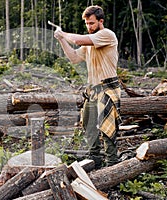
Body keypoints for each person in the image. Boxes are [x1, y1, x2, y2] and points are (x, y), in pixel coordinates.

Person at [54, 5, 122, 168]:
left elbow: (78, 40)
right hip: (92, 90)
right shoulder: (89, 45)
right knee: (89, 126)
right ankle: (95, 160)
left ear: (100, 21)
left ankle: (112, 164)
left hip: (107, 89)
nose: (89, 27)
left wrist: (64, 33)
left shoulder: (107, 35)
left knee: (108, 129)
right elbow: (74, 58)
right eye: (86, 24)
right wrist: (62, 40)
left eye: (91, 23)